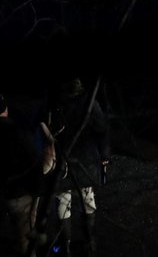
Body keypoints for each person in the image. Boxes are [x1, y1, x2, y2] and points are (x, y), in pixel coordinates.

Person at [46, 77, 111, 257]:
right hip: (86, 161)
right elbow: (102, 130)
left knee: (63, 202)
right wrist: (104, 156)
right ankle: (90, 242)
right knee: (88, 199)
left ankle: (64, 246)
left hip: (63, 162)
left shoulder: (55, 105)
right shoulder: (89, 105)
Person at [1, 92, 54, 257]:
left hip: (6, 194)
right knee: (26, 240)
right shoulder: (18, 133)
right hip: (20, 195)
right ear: (6, 109)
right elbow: (35, 164)